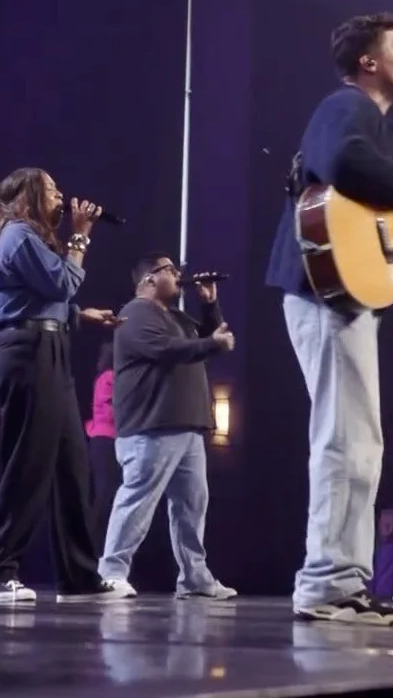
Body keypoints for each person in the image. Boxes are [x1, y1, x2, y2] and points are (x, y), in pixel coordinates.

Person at [266, 13, 393, 626]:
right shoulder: (346, 108)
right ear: (368, 62)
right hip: (327, 294)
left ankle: (344, 581)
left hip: (343, 297)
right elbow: (345, 163)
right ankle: (327, 584)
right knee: (346, 441)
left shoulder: (375, 125)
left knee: (360, 443)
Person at [0, 166, 130, 605]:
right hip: (27, 354)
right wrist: (80, 237)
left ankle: (79, 578)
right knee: (28, 465)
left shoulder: (30, 238)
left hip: (48, 349)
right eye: (51, 189)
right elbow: (61, 282)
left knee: (71, 469)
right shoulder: (17, 234)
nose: (61, 195)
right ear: (28, 195)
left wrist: (79, 315)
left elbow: (39, 297)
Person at [98, 253, 237, 599]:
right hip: (152, 425)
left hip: (186, 425)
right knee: (138, 500)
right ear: (149, 278)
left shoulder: (175, 315)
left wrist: (210, 305)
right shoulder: (134, 313)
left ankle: (194, 578)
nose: (178, 275)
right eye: (170, 270)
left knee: (192, 505)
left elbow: (206, 339)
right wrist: (212, 344)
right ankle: (111, 573)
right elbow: (167, 349)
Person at [85, 341, 119, 550]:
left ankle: (100, 546)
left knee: (108, 495)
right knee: (105, 495)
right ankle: (93, 546)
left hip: (105, 440)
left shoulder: (106, 377)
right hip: (105, 441)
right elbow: (114, 411)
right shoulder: (110, 377)